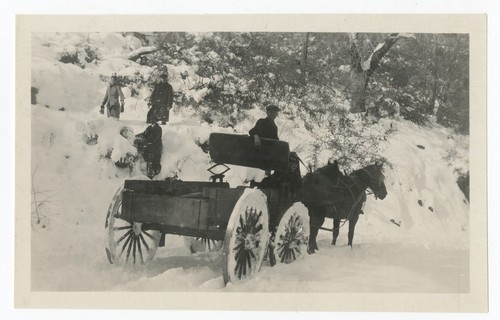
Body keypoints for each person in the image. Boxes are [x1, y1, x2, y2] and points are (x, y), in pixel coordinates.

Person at [134, 114, 163, 178]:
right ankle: (148, 171)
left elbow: (156, 138)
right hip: (149, 145)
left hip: (156, 146)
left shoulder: (158, 128)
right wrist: (136, 136)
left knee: (153, 158)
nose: (152, 121)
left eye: (153, 119)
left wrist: (148, 142)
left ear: (156, 120)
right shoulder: (149, 128)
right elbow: (144, 134)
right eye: (151, 119)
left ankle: (153, 171)